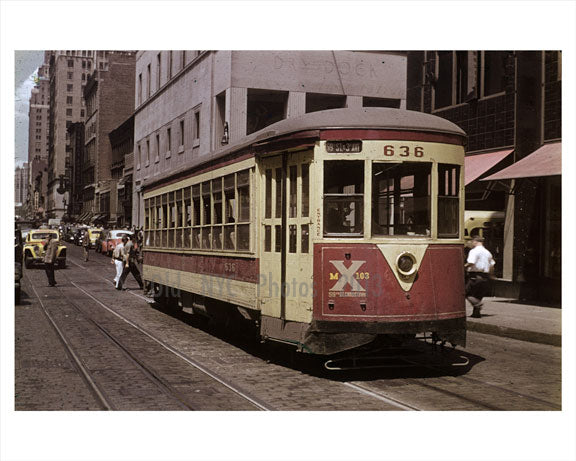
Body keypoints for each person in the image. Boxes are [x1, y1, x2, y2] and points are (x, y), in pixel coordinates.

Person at [465, 236, 495, 318]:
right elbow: (492, 265)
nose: (471, 243)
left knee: (466, 293)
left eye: (471, 241)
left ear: (475, 241)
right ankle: (476, 314)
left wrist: (464, 266)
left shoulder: (474, 251)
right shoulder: (488, 252)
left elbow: (471, 262)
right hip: (485, 277)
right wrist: (491, 275)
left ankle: (477, 304)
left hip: (475, 276)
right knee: (478, 295)